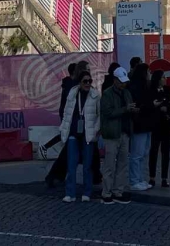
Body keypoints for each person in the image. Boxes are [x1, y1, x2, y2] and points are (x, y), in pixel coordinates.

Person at [59, 70, 99, 202]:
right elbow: (66, 113)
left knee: (87, 166)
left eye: (89, 81)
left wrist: (95, 130)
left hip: (88, 134)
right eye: (85, 81)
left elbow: (99, 115)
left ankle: (87, 192)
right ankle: (70, 193)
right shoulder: (72, 94)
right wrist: (63, 129)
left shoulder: (95, 95)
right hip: (73, 133)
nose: (88, 83)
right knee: (71, 165)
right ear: (79, 82)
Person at [98, 74, 133, 205]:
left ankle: (118, 191)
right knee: (109, 164)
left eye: (124, 82)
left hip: (124, 132)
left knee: (122, 164)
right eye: (121, 82)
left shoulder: (127, 93)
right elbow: (107, 112)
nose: (123, 84)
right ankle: (106, 192)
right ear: (115, 80)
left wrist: (132, 109)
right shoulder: (107, 94)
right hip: (112, 134)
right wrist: (125, 109)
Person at [46, 62, 82, 188]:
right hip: (73, 124)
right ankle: (56, 176)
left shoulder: (69, 85)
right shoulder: (71, 87)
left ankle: (56, 176)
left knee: (70, 151)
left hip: (73, 123)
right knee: (69, 152)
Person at [127, 63, 153, 192]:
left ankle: (140, 178)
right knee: (137, 154)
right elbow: (137, 105)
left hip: (146, 124)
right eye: (148, 71)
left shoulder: (146, 86)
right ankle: (134, 180)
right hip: (139, 125)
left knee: (143, 153)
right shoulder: (135, 87)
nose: (150, 74)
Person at [149, 74, 170, 189]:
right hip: (155, 125)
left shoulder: (167, 89)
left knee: (166, 152)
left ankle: (164, 178)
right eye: (163, 77)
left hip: (166, 124)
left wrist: (167, 108)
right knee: (153, 151)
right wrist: (156, 107)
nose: (165, 79)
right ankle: (152, 177)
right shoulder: (151, 90)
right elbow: (148, 106)